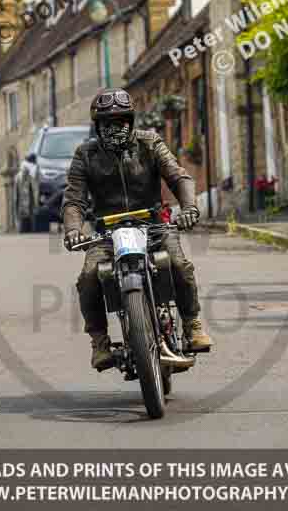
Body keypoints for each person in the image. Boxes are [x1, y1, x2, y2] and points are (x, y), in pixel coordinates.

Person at [62, 88, 213, 371]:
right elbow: (74, 199)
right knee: (88, 277)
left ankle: (192, 324)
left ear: (131, 122)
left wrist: (189, 208)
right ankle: (99, 343)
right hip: (107, 233)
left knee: (179, 264)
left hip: (155, 225)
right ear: (97, 126)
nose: (114, 128)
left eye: (121, 121)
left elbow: (179, 177)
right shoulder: (85, 155)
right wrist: (73, 229)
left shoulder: (150, 143)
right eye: (107, 123)